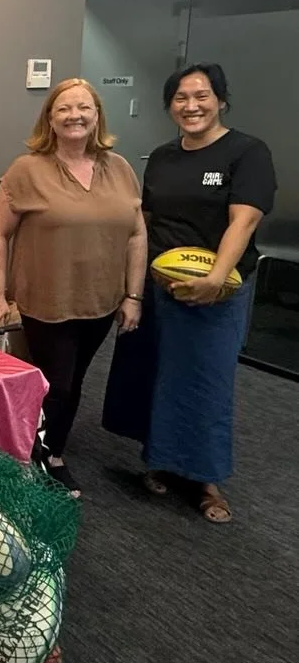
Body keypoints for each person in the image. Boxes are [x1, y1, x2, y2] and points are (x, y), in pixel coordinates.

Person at [102, 63, 276, 523]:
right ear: (169, 105)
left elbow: (245, 219)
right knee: (155, 373)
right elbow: (147, 222)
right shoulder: (162, 156)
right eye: (180, 98)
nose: (191, 105)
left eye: (201, 96)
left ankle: (205, 478)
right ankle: (159, 458)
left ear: (220, 99)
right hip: (159, 283)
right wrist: (132, 287)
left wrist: (216, 277)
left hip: (215, 290)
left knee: (206, 381)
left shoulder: (247, 152)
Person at [0, 78, 147, 497]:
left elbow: (136, 235)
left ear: (96, 117)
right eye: (64, 109)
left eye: (84, 108)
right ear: (50, 120)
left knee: (73, 380)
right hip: (46, 300)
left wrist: (133, 295)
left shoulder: (121, 168)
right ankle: (44, 457)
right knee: (60, 383)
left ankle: (49, 449)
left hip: (101, 301)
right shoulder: (26, 170)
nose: (75, 116)